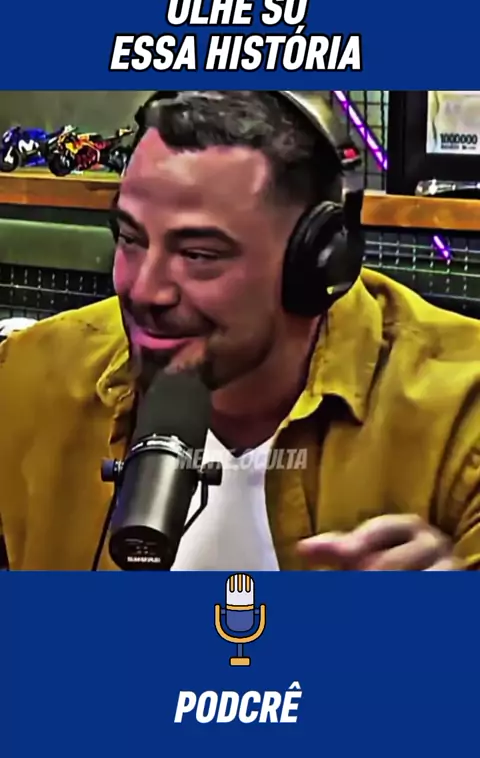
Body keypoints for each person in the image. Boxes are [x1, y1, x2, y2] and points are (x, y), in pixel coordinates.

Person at [1, 89, 480, 572]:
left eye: (199, 255)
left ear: (317, 261)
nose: (145, 290)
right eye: (131, 239)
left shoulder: (461, 415)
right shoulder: (30, 378)